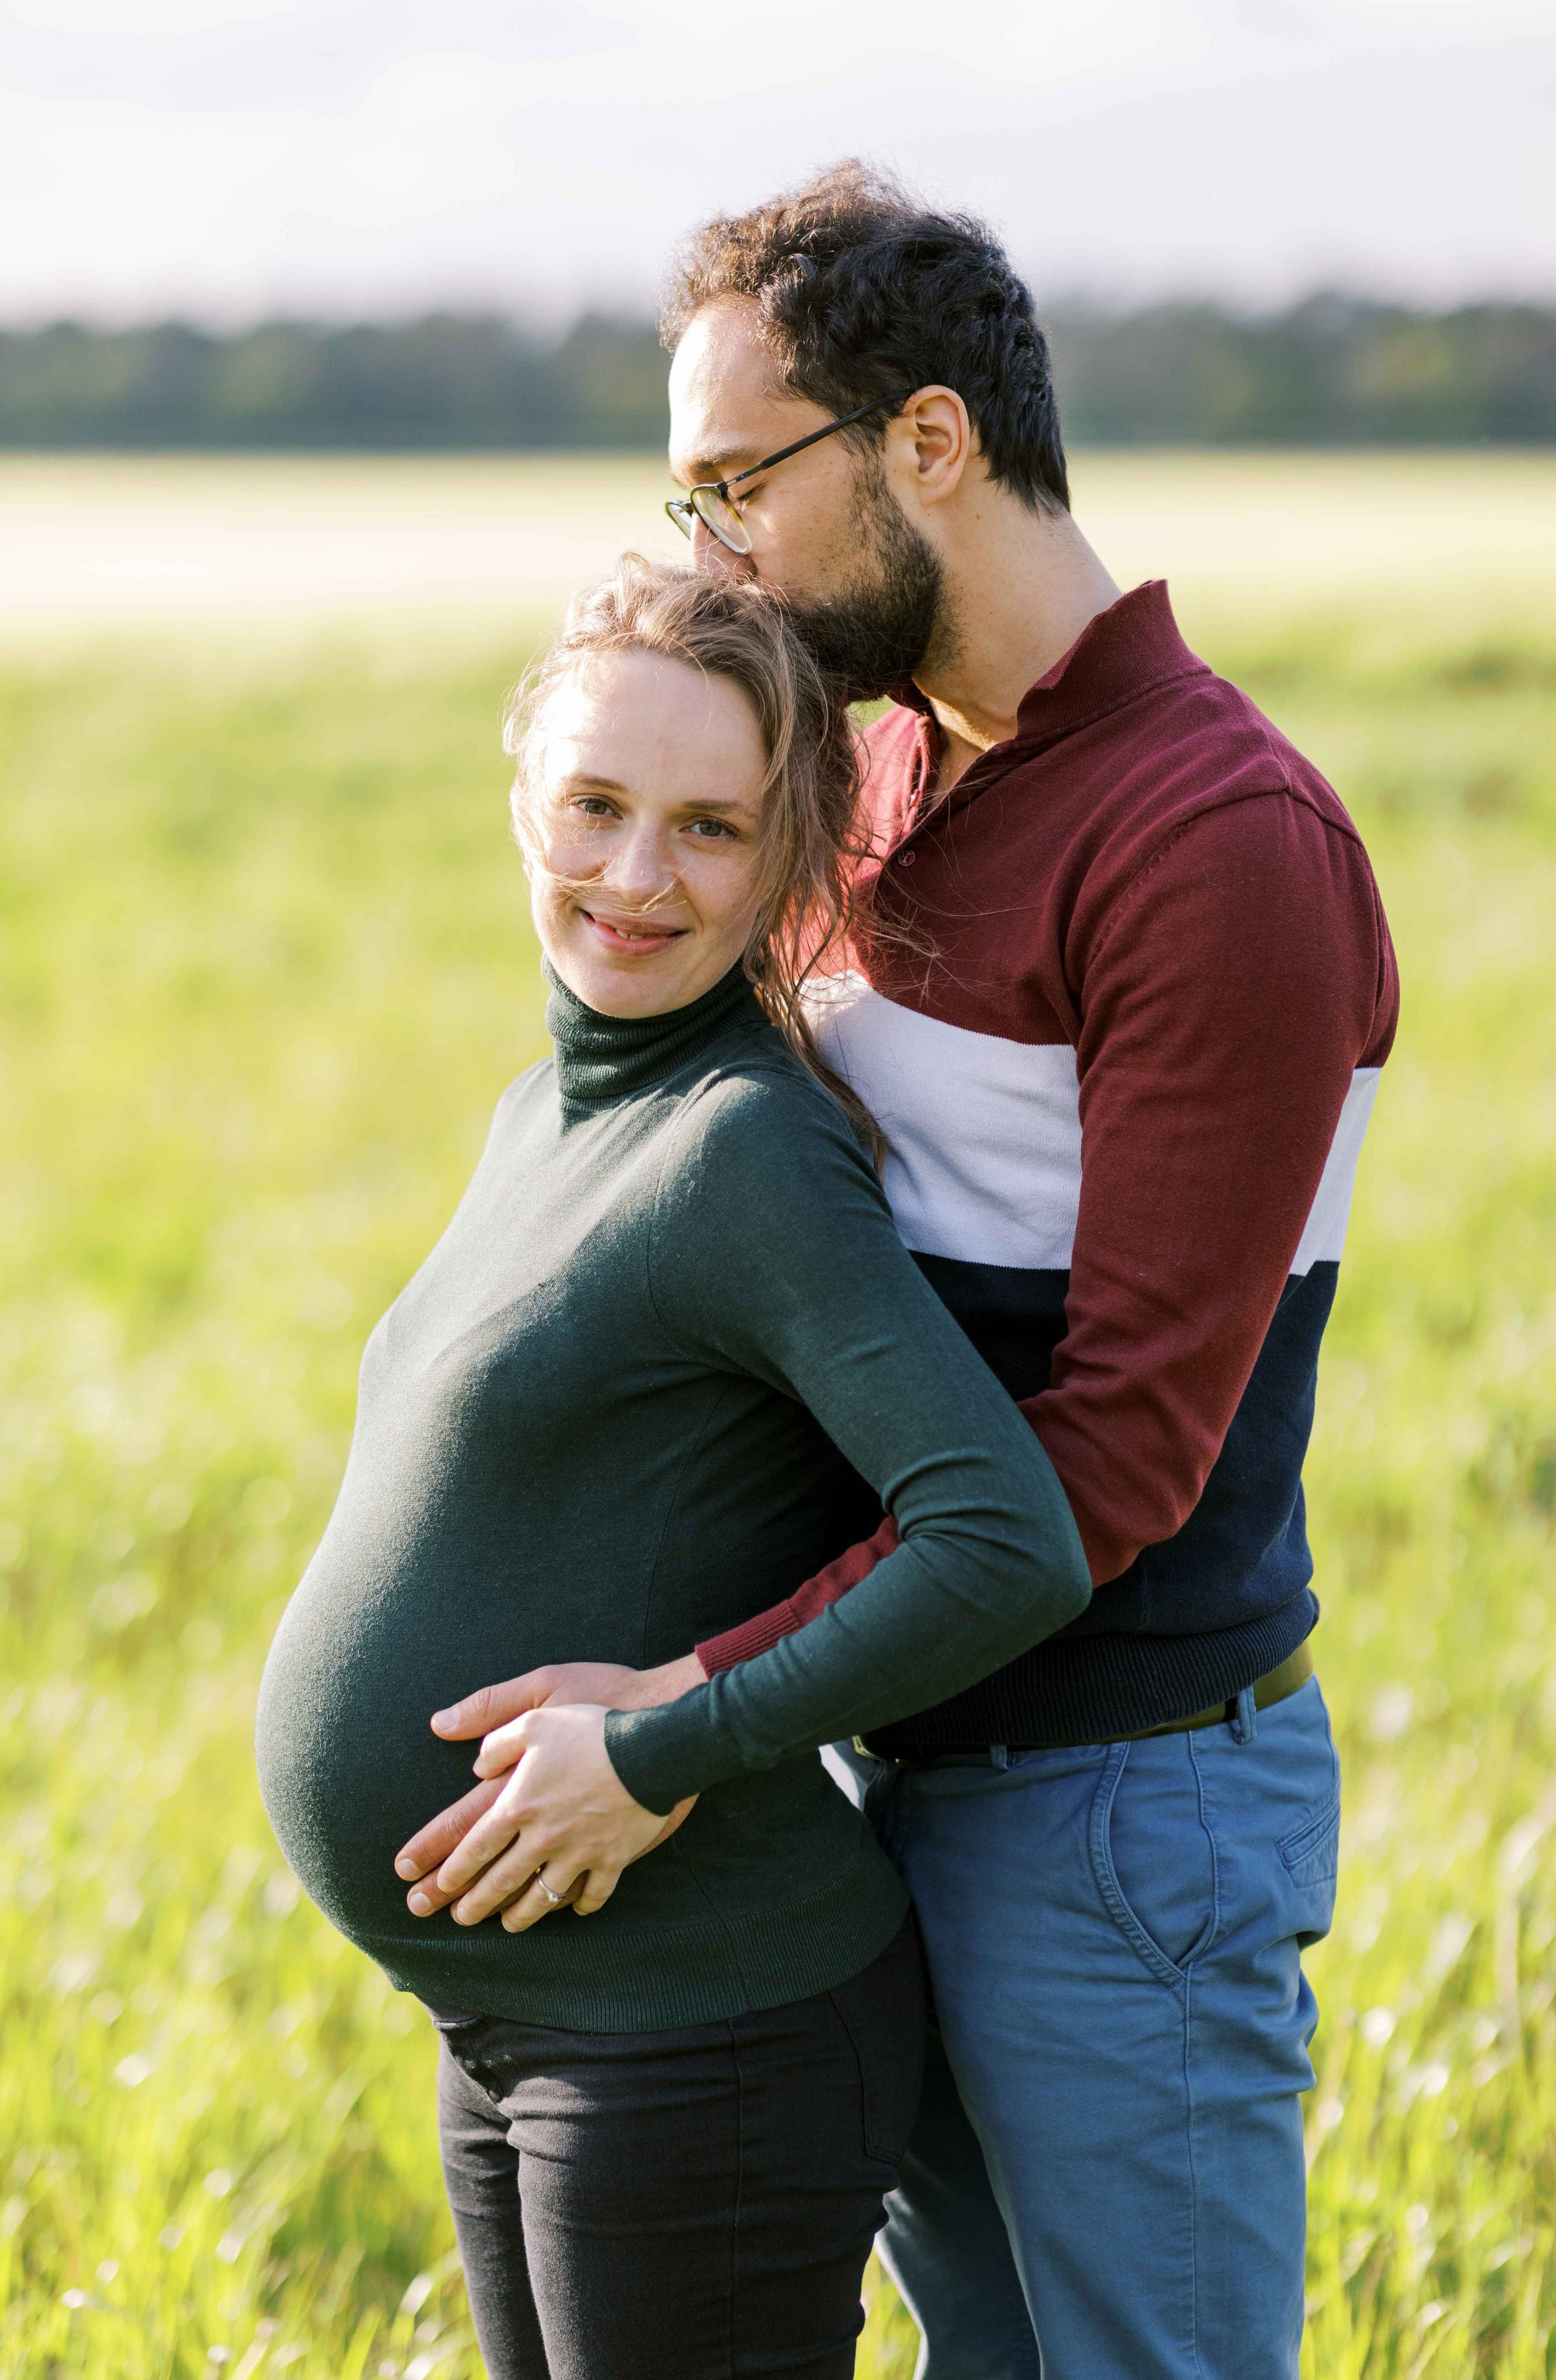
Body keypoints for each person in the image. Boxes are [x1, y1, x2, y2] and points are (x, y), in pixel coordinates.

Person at [402, 167, 1401, 2380]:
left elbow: (1119, 1461)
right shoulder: (868, 774)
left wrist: (687, 1718)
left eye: (737, 485)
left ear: (926, 445)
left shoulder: (1218, 847)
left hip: (1114, 1795)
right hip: (886, 1757)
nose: (710, 554)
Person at [256, 557, 1090, 2380]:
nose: (638, 877)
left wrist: (663, 1744)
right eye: (598, 808)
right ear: (521, 806)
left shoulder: (744, 1152)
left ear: (793, 857)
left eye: (711, 828)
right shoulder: (558, 1100)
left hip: (705, 2027)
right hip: (532, 2008)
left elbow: (1003, 1534)